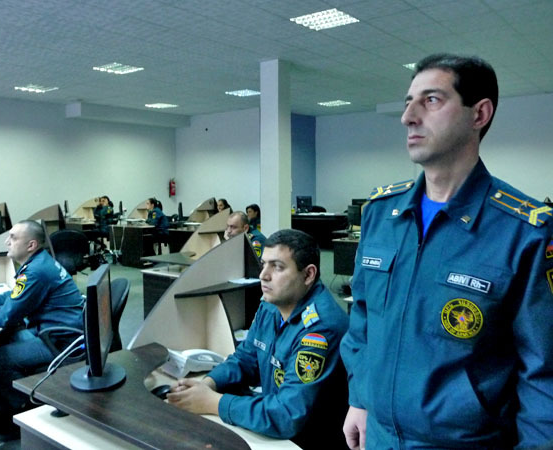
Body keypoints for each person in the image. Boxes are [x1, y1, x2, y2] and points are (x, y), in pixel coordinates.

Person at [340, 53, 553, 449]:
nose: (408, 117)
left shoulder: (525, 231)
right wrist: (360, 397)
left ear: (479, 114)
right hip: (380, 436)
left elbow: (544, 374)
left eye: (432, 100)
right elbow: (364, 317)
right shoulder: (382, 213)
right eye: (408, 102)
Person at [168, 229, 349, 449]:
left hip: (306, 440)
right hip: (275, 430)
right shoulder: (272, 304)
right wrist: (207, 384)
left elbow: (287, 415)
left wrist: (213, 402)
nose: (264, 275)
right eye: (263, 264)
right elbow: (246, 358)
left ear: (308, 275)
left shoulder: (320, 329)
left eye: (277, 267)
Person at [0, 220, 84, 434]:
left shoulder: (36, 271)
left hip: (60, 340)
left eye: (13, 238)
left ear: (31, 245)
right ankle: (3, 409)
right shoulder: (39, 262)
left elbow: (5, 316)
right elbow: (14, 295)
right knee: (0, 343)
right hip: (53, 330)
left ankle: (21, 413)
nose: (7, 241)